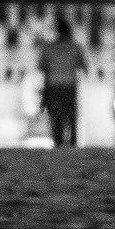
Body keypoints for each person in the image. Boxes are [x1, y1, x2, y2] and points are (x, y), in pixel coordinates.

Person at [37, 18, 87, 147]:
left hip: (53, 84)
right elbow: (83, 66)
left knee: (55, 114)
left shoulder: (49, 48)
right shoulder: (75, 47)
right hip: (70, 84)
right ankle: (72, 140)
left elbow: (43, 68)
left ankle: (58, 141)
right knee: (71, 114)